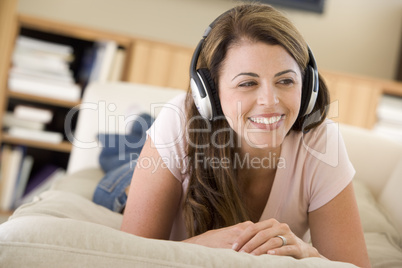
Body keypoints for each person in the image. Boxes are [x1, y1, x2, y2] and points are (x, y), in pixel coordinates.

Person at [121, 3, 370, 267]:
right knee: (122, 162)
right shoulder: (179, 121)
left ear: (308, 87)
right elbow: (129, 256)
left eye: (285, 81)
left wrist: (308, 253)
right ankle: (140, 128)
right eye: (247, 83)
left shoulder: (320, 139)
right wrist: (201, 245)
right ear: (211, 94)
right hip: (125, 182)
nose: (270, 101)